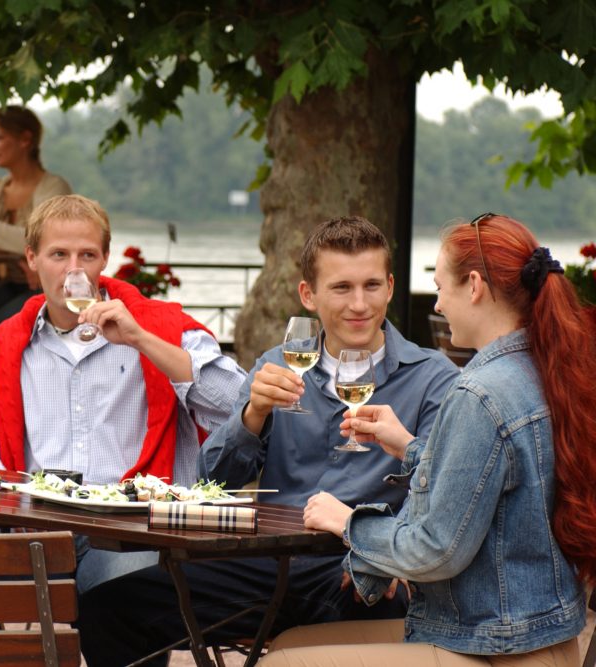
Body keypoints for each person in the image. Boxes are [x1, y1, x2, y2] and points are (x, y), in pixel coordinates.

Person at [77, 215, 461, 666]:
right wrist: (251, 415)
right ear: (308, 295)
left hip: (358, 570)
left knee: (382, 601)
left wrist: (389, 552)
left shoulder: (434, 378)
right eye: (341, 288)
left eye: (371, 285)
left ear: (391, 287)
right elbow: (211, 480)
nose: (359, 304)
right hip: (270, 566)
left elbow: (447, 493)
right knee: (110, 606)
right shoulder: (278, 364)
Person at [255, 214, 596, 667]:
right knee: (288, 644)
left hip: (494, 645)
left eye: (439, 287)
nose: (437, 305)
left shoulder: (479, 392)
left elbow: (437, 550)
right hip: (531, 634)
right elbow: (489, 478)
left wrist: (347, 523)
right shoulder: (539, 369)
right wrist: (410, 446)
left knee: (282, 664)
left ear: (473, 286)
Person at [0, 194, 247, 593]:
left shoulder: (158, 328)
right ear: (31, 259)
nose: (74, 270)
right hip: (37, 526)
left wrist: (141, 339)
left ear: (105, 258)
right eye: (58, 255)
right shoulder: (1, 347)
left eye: (86, 255)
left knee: (125, 595)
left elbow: (242, 405)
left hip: (133, 531)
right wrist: (12, 493)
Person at [0, 105, 72, 393]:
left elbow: (43, 240)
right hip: (3, 285)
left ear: (25, 140)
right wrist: (17, 254)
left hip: (40, 290)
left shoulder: (52, 188)